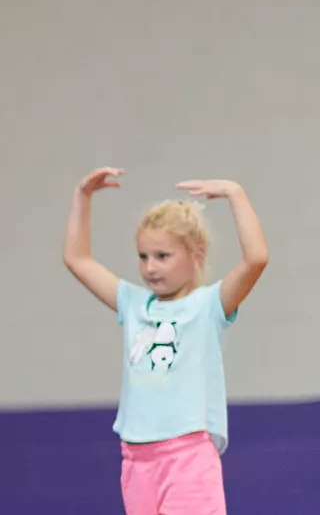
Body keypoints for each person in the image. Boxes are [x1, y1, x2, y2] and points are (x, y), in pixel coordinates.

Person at [62, 168, 268, 515]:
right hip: (136, 458)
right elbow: (77, 259)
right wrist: (82, 197)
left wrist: (235, 193)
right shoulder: (133, 303)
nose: (150, 267)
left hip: (187, 455)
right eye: (143, 256)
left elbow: (256, 259)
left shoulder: (207, 306)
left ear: (196, 254)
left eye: (162, 256)